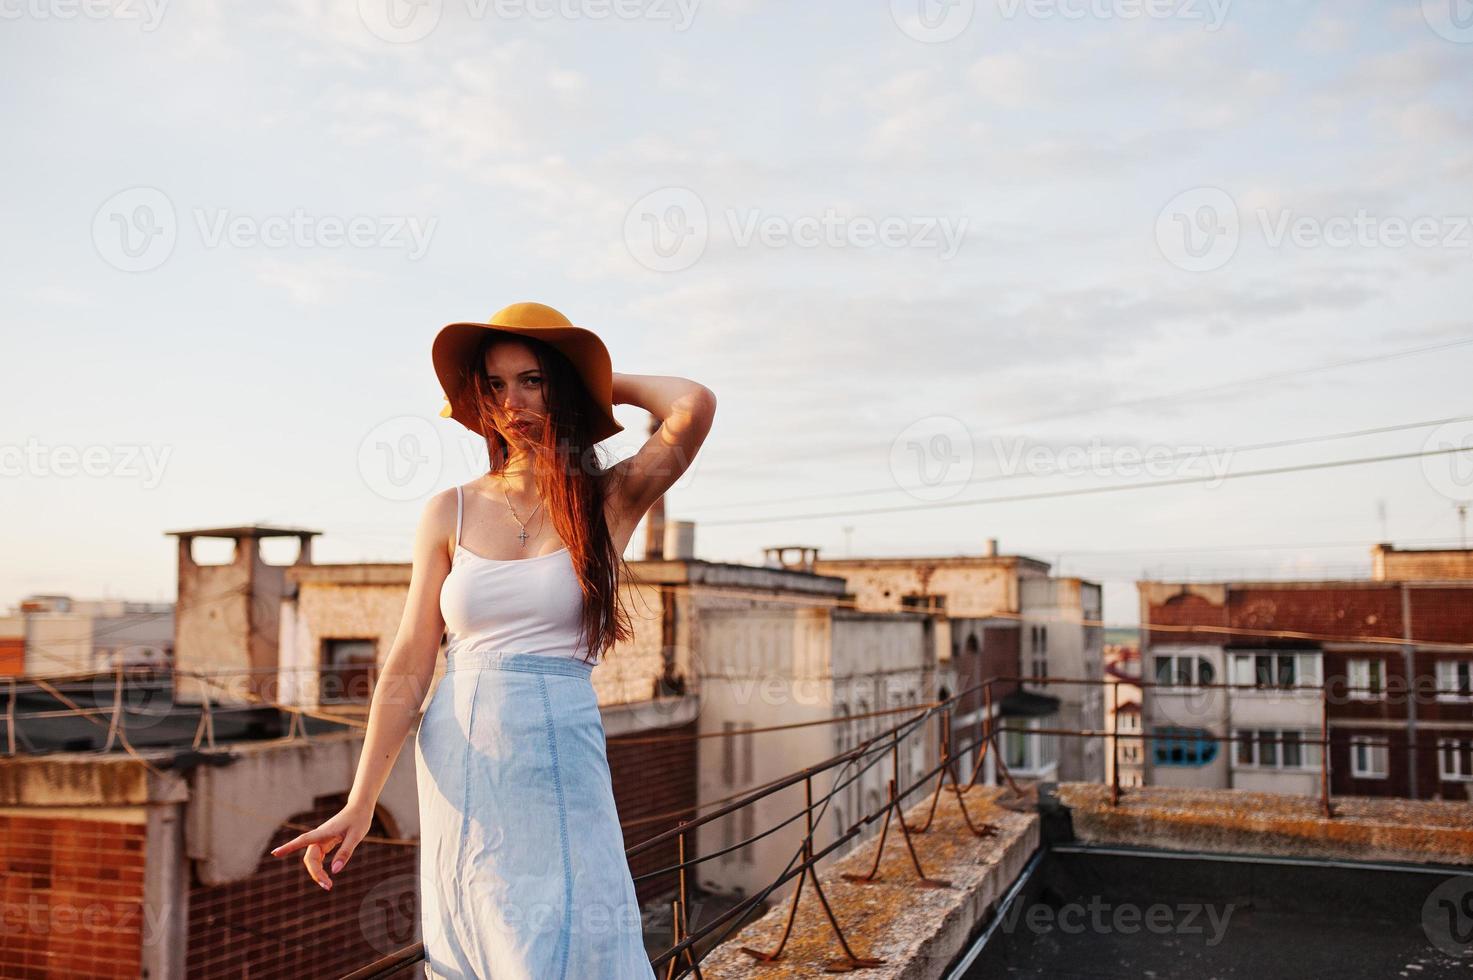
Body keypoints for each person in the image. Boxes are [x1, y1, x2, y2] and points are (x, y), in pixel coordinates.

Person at [270, 302, 716, 979]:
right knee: (479, 923)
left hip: (559, 749)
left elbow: (692, 402)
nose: (513, 402)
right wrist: (360, 802)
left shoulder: (610, 498)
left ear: (561, 389)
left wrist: (594, 380)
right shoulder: (448, 508)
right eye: (496, 385)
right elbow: (411, 659)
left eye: (533, 380)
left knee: (569, 929)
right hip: (458, 753)